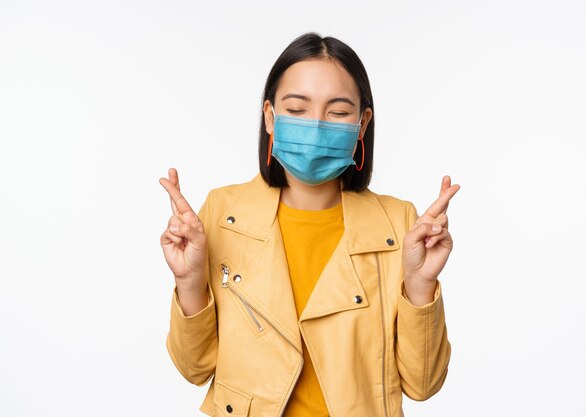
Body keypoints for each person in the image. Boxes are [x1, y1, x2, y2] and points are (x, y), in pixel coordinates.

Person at [159, 32, 459, 417]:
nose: (316, 127)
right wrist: (189, 283)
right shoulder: (221, 213)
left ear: (362, 123)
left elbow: (423, 383)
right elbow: (194, 368)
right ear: (270, 117)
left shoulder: (400, 223)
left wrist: (421, 287)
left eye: (337, 112)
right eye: (297, 110)